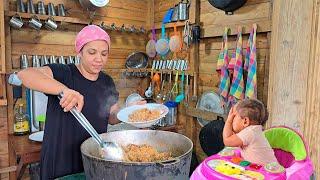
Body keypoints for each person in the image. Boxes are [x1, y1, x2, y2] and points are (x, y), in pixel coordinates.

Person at [17, 25, 144, 179]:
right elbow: (25, 75)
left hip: (93, 158)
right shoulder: (64, 73)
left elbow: (112, 115)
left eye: (104, 54)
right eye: (92, 52)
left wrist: (128, 111)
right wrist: (64, 90)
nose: (99, 59)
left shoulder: (107, 81)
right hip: (60, 160)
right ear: (80, 51)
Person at [222, 99, 278, 165]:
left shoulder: (250, 132)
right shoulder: (254, 131)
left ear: (245, 121)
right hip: (263, 170)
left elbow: (227, 141)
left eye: (233, 117)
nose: (231, 120)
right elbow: (232, 137)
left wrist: (228, 121)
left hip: (266, 172)